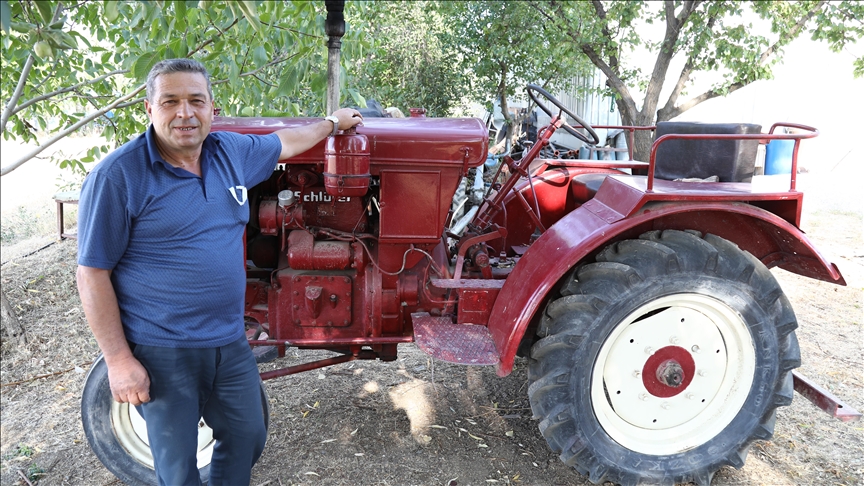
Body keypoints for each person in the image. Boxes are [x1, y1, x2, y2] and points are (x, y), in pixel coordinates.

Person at [76, 58, 362, 486]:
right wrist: (118, 361)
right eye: (170, 101)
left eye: (196, 101)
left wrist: (332, 123)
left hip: (228, 339)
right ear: (149, 109)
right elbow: (92, 274)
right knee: (177, 468)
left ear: (213, 107)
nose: (185, 113)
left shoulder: (230, 152)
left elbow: (285, 142)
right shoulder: (117, 176)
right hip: (163, 347)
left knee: (247, 436)